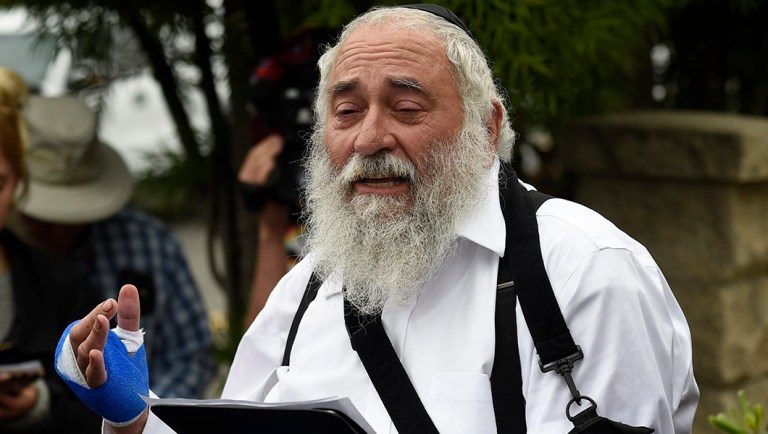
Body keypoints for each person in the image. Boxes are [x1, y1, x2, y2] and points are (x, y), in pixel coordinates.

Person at [56, 4, 699, 433]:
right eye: (346, 111)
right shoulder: (304, 293)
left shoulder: (581, 272)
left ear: (487, 127)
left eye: (406, 107)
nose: (369, 138)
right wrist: (132, 416)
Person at [13, 95, 216, 399]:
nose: (38, 225)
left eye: (55, 216)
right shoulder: (9, 253)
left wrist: (140, 417)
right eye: (33, 212)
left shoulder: (149, 245)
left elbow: (191, 355)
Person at [0, 66, 102, 432]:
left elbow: (103, 410)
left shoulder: (64, 287)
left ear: (19, 184)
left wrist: (43, 402)